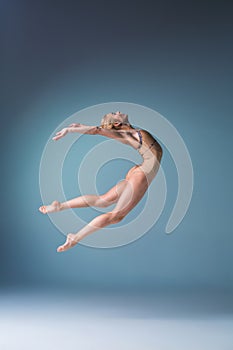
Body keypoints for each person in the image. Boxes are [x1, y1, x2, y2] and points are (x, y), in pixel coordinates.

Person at [39, 111, 163, 252]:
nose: (118, 111)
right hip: (141, 174)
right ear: (117, 123)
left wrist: (82, 126)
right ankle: (76, 237)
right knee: (116, 216)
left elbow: (98, 129)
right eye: (114, 113)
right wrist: (70, 129)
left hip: (138, 171)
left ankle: (60, 206)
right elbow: (98, 130)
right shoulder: (126, 134)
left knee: (103, 200)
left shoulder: (133, 132)